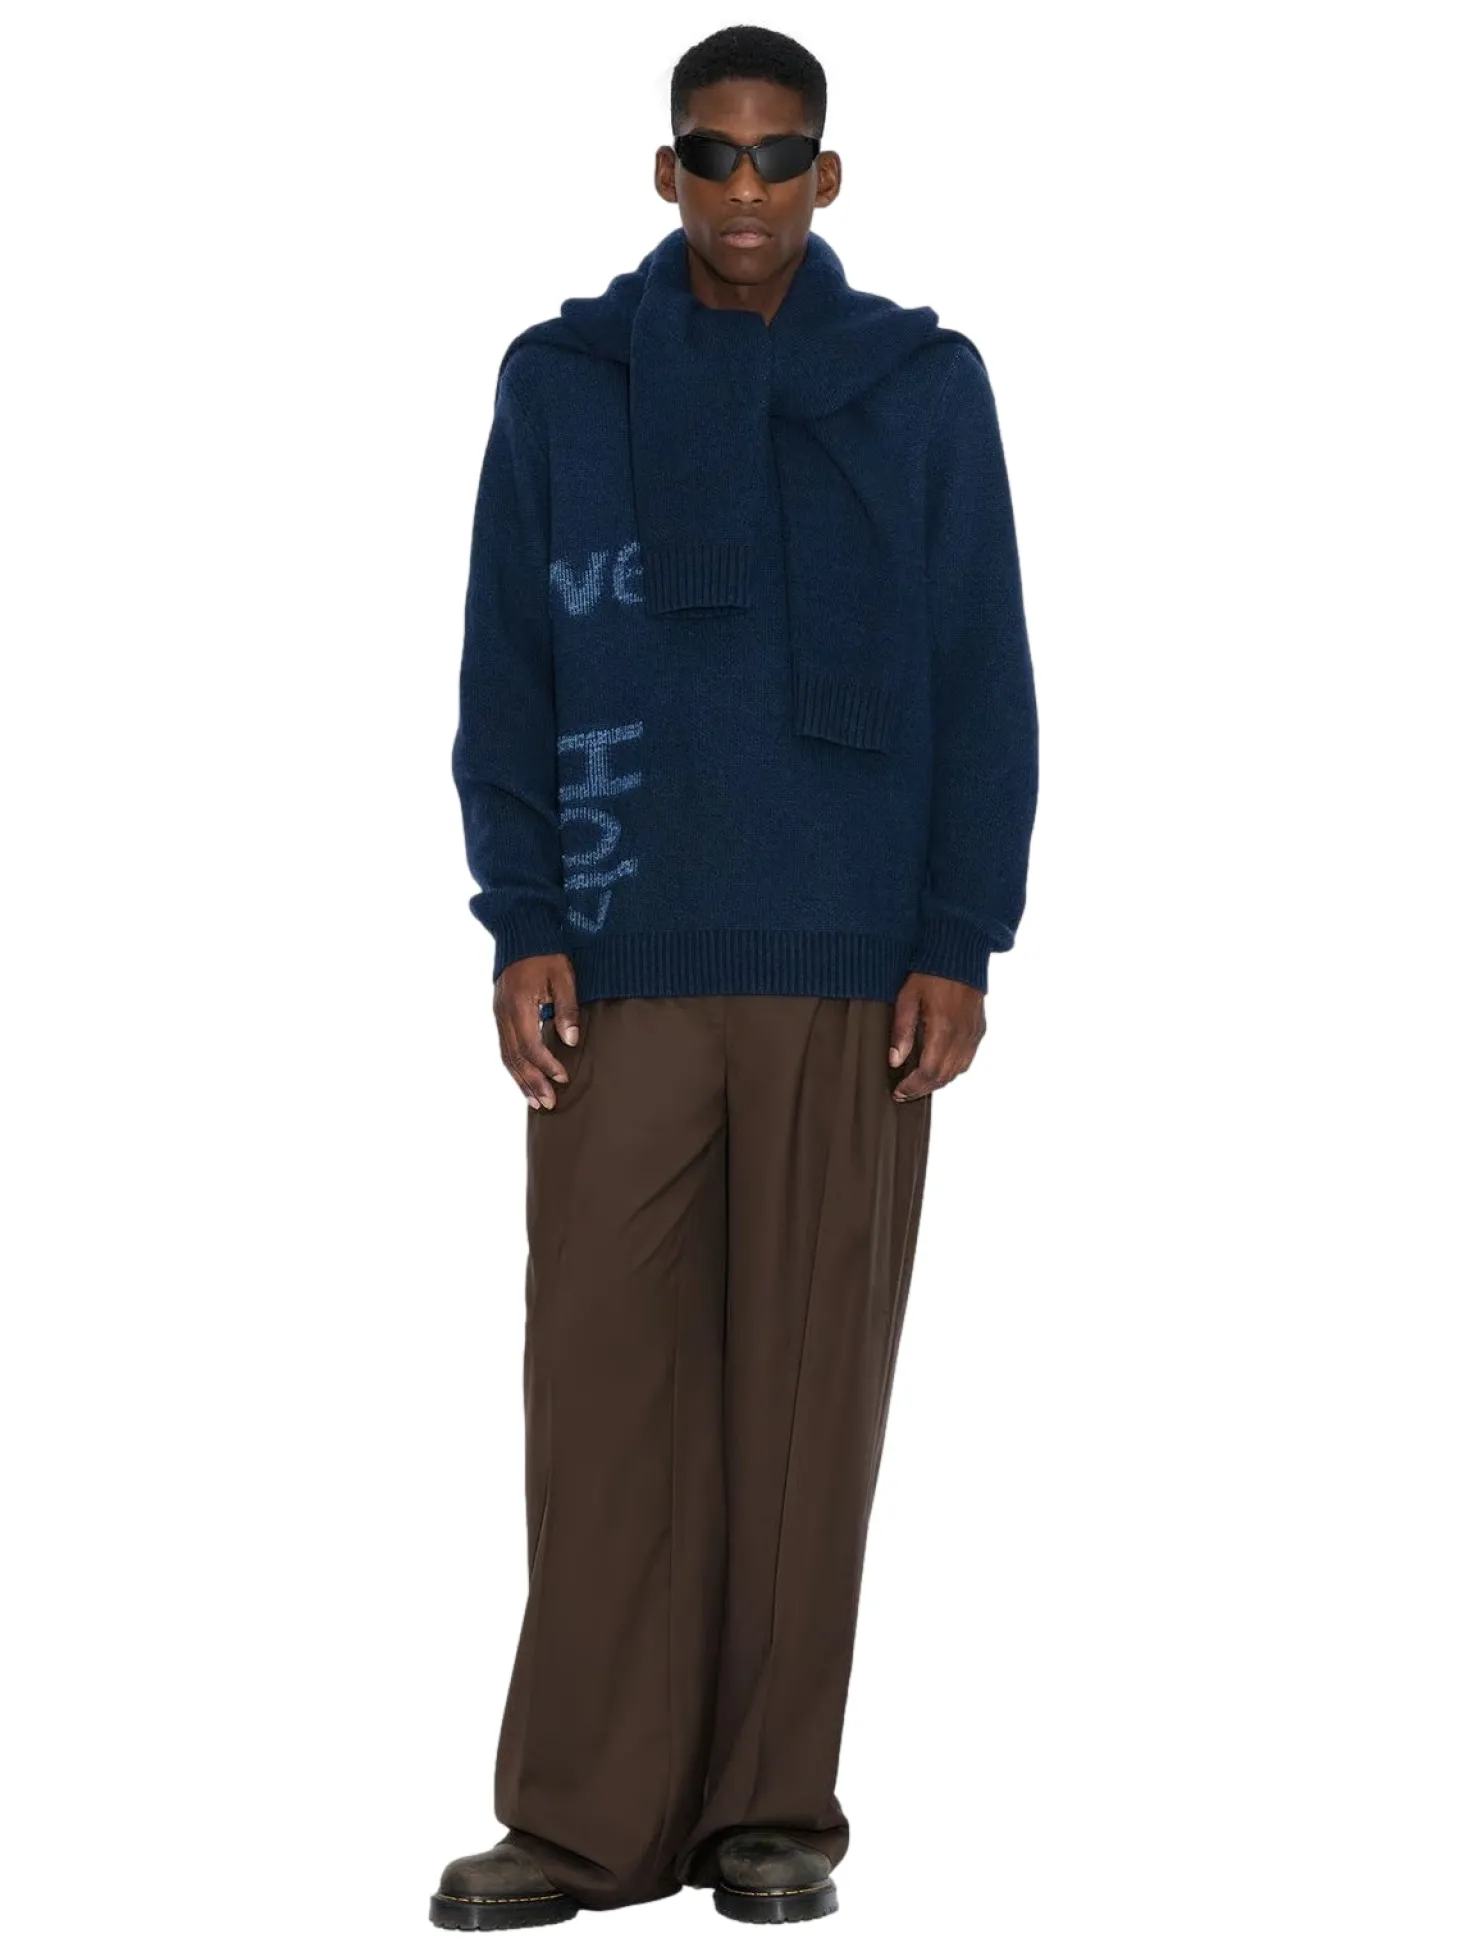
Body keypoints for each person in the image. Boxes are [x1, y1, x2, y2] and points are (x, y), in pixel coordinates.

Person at [429, 23, 1039, 1932]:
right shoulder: (562, 385)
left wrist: (957, 936)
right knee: (601, 1398)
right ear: (667, 170)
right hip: (621, 952)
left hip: (848, 963)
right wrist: (522, 911)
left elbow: (983, 673)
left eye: (782, 158)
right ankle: (581, 1822)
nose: (748, 188)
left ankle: (771, 1809)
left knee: (802, 1403)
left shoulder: (918, 388)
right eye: (716, 153)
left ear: (827, 177)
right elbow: (506, 666)